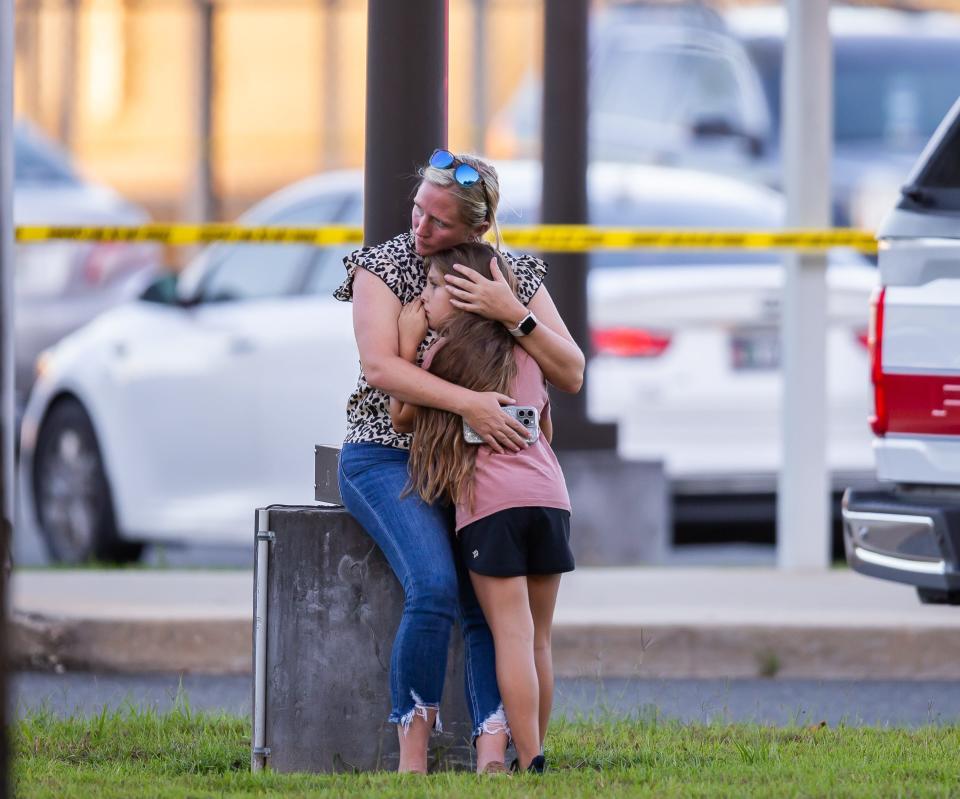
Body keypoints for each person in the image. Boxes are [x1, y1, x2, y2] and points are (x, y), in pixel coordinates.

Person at [334, 149, 583, 774]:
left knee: (494, 612)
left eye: (439, 223)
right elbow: (381, 369)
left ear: (476, 230)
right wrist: (470, 403)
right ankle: (412, 759)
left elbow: (571, 370)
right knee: (437, 587)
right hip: (390, 454)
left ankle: (496, 755)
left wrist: (512, 313)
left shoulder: (512, 274)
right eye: (418, 210)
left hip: (482, 468)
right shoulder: (386, 265)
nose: (420, 229)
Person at [390, 242, 574, 774]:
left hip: (492, 508)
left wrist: (408, 344)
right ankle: (532, 752)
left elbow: (402, 416)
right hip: (551, 501)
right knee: (539, 638)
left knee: (510, 636)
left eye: (429, 288)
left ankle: (532, 757)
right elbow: (546, 426)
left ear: (463, 294)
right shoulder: (527, 354)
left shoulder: (441, 356)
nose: (421, 299)